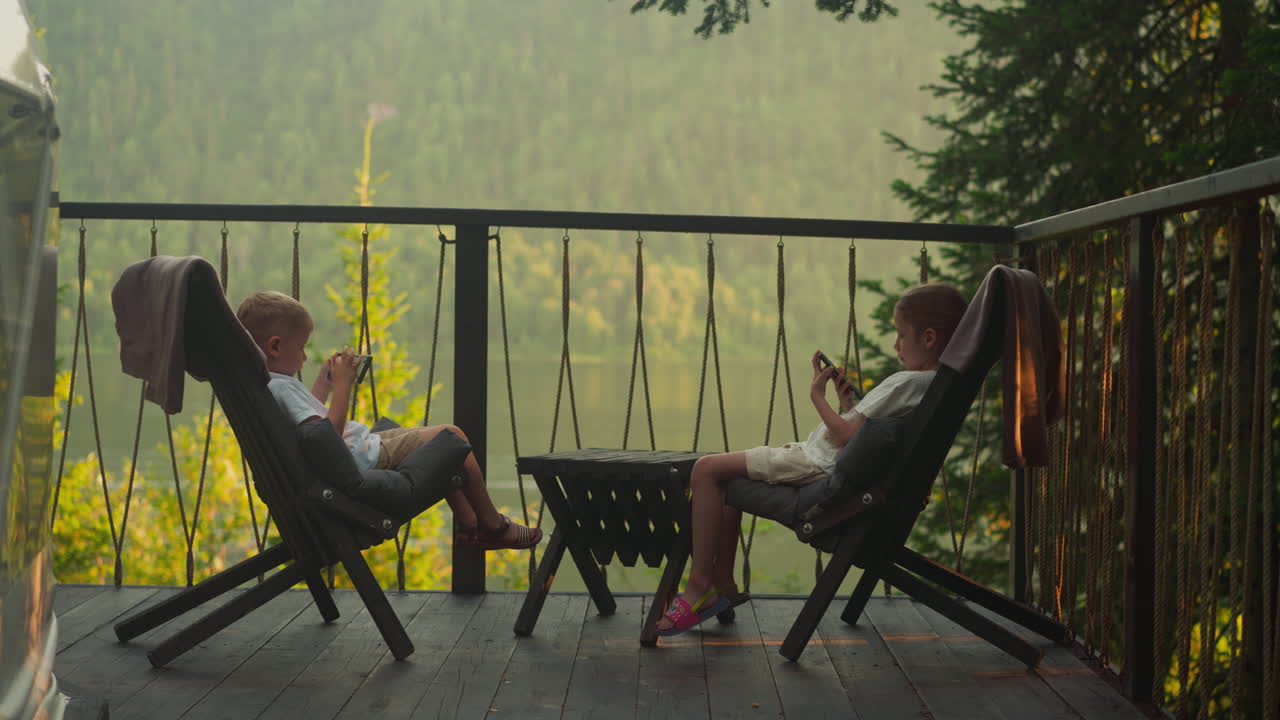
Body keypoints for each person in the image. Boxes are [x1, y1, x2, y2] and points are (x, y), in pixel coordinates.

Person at [656, 283, 969, 636]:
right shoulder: (931, 385)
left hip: (814, 464)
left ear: (928, 338)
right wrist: (850, 405)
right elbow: (868, 435)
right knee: (722, 479)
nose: (896, 345)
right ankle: (723, 584)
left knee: (705, 470)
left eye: (901, 335)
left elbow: (845, 437)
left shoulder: (906, 381)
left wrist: (817, 395)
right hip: (826, 464)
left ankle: (698, 586)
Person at [235, 290, 541, 550]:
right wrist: (343, 385)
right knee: (453, 436)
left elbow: (313, 423)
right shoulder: (281, 388)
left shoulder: (269, 386)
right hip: (362, 459)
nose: (304, 356)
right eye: (300, 347)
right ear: (275, 346)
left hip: (360, 449)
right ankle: (493, 525)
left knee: (439, 451)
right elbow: (325, 438)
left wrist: (325, 384)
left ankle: (469, 524)